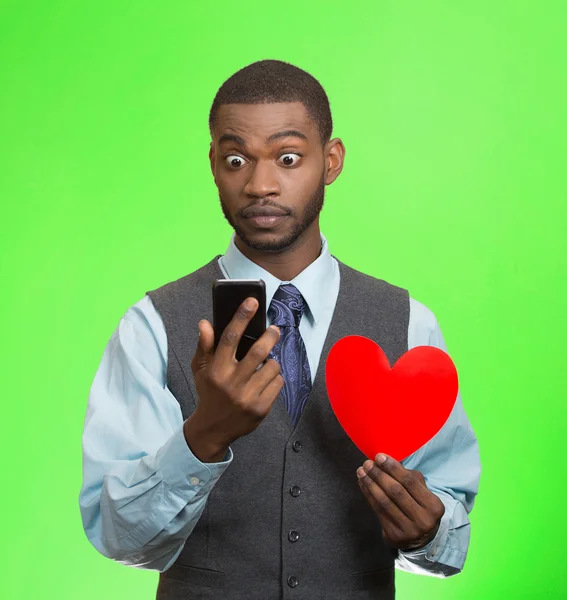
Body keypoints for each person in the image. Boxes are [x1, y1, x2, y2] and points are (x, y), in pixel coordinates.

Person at [79, 59, 480, 599]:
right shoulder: (151, 324)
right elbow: (118, 537)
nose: (260, 184)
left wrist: (428, 530)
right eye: (236, 158)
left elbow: (448, 525)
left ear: (331, 161)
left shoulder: (408, 322)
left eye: (288, 158)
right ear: (213, 165)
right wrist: (203, 437)